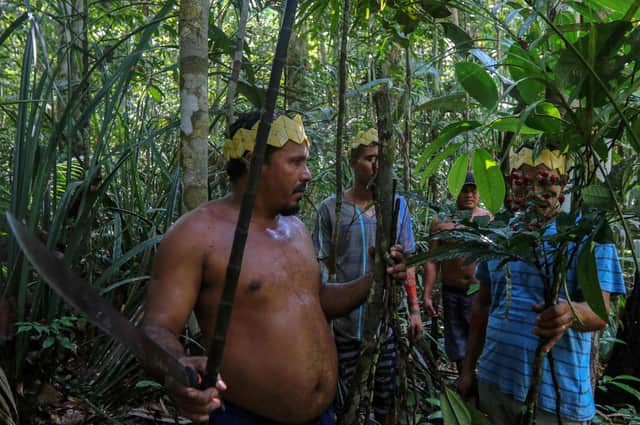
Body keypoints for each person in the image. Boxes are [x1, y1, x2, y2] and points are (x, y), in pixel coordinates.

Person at [141, 112, 408, 425]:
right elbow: (156, 329)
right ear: (254, 163)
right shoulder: (197, 234)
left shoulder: (295, 229)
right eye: (295, 162)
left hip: (323, 415)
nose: (307, 174)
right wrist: (180, 367)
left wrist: (375, 279)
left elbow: (316, 301)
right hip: (243, 417)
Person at [457, 145, 626, 424]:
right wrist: (467, 370)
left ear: (563, 184)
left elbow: (601, 313)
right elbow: (483, 305)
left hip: (556, 399)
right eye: (525, 183)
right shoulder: (500, 232)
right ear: (512, 183)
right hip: (493, 382)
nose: (535, 193)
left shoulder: (587, 231)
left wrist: (571, 313)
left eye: (546, 182)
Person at [313, 128, 422, 425]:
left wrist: (414, 311)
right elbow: (323, 266)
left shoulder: (396, 206)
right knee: (347, 403)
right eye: (369, 158)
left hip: (387, 325)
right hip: (345, 328)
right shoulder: (331, 209)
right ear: (352, 162)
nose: (376, 165)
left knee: (388, 400)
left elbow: (408, 261)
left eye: (380, 159)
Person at [422, 171, 492, 372]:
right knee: (457, 341)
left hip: (478, 293)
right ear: (455, 192)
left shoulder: (486, 219)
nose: (469, 194)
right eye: (464, 190)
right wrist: (426, 294)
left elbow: (495, 259)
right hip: (452, 291)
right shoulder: (441, 221)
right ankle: (464, 380)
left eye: (473, 190)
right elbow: (432, 260)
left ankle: (479, 381)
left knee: (481, 338)